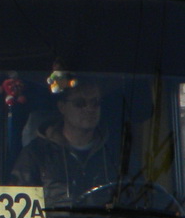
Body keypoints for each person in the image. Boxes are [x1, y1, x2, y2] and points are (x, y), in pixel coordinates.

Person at [10, 75, 116, 207]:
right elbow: (18, 204)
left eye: (95, 103)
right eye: (80, 103)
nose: (90, 109)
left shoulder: (116, 152)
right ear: (62, 107)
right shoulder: (36, 154)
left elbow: (135, 196)